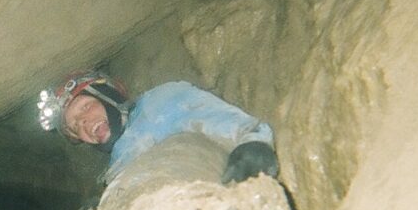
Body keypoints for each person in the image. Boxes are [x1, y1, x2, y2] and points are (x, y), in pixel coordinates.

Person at [37, 70, 278, 184]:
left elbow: (228, 123)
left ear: (107, 95)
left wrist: (253, 147)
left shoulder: (160, 102)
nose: (86, 124)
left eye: (85, 108)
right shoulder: (118, 160)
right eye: (77, 126)